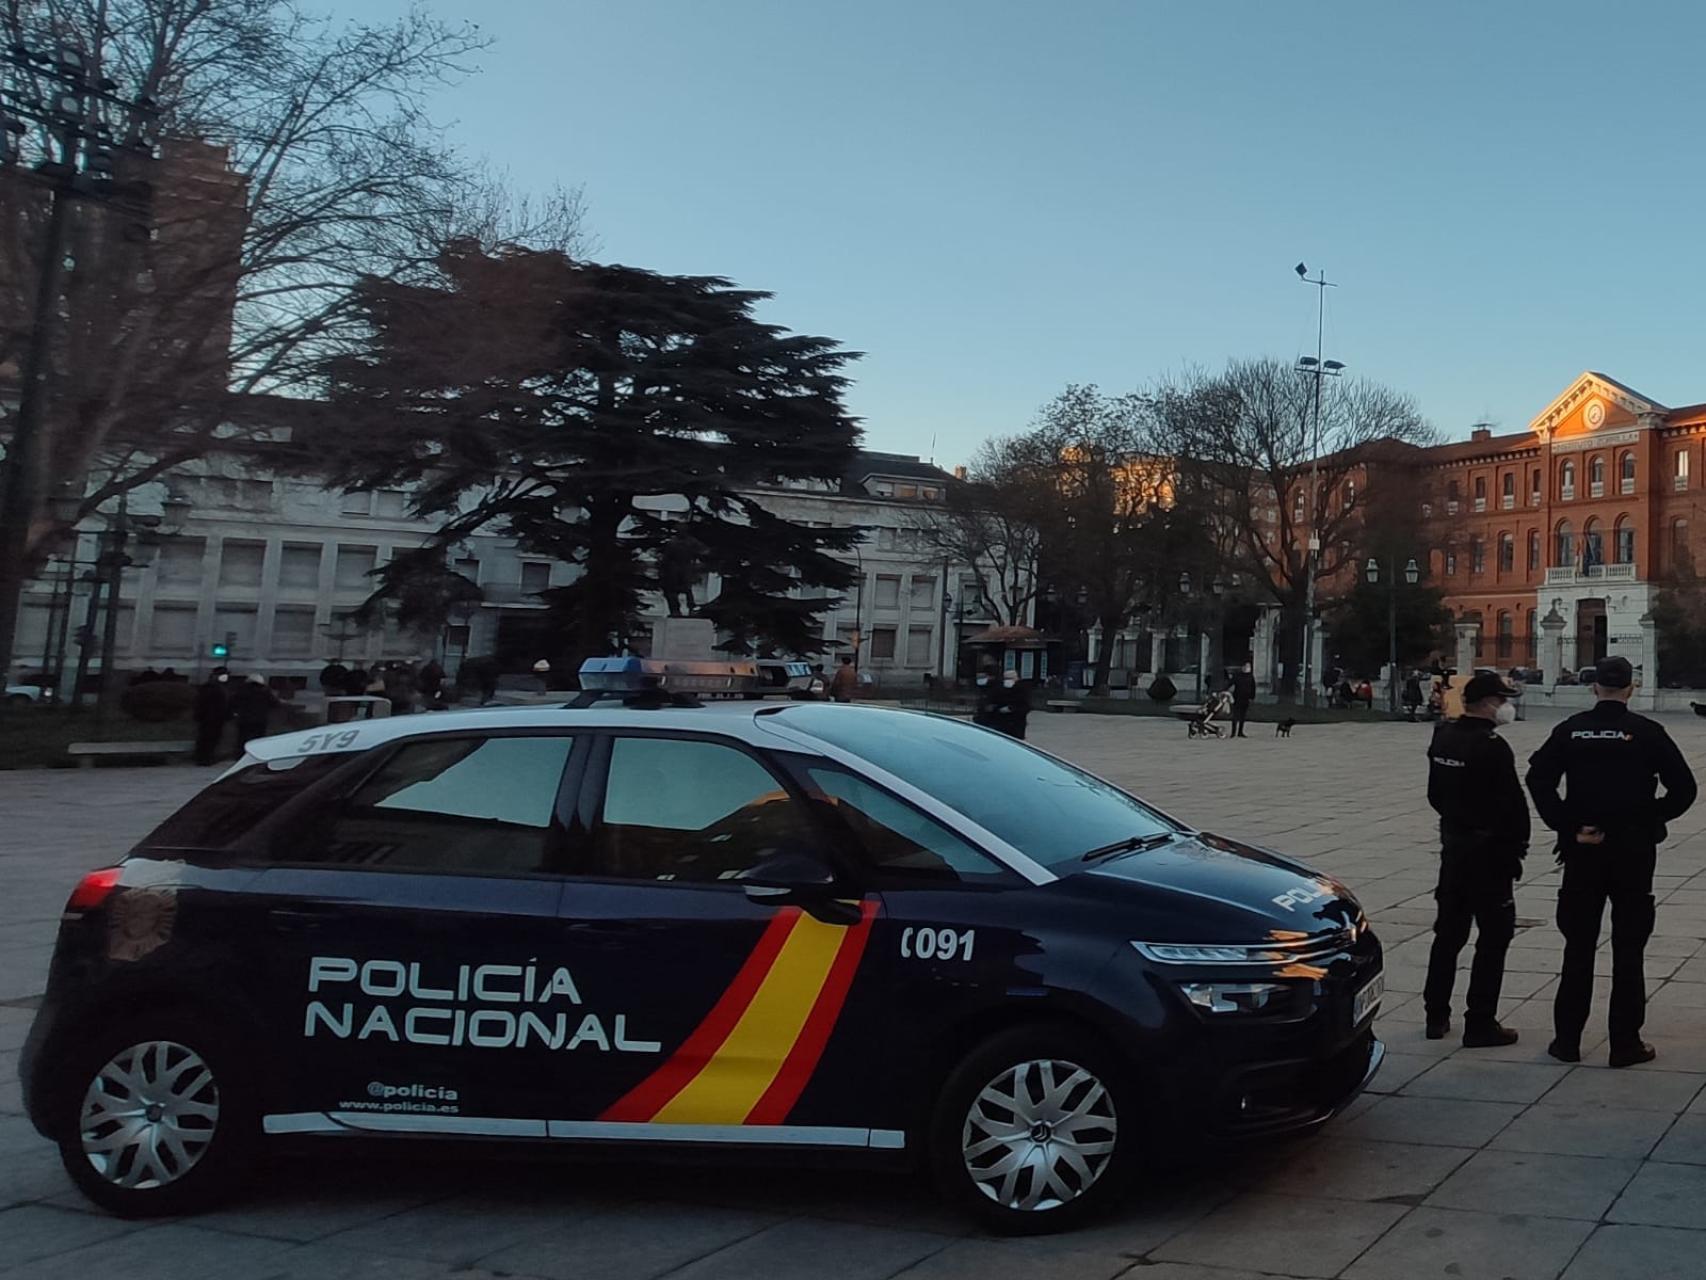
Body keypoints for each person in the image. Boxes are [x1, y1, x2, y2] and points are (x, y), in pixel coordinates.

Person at [1525, 655, 1698, 1067]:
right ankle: (1625, 1044)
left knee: (1578, 947)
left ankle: (1566, 1041)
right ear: (1631, 688)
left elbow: (1538, 778)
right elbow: (1684, 790)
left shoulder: (1571, 730)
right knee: (1629, 949)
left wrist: (1566, 824)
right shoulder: (1647, 733)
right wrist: (1648, 817)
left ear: (1594, 687)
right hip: (1633, 854)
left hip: (1584, 849)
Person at [1422, 672, 1527, 1047]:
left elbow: (1435, 795)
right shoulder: (1492, 746)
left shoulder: (1443, 736)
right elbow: (1512, 805)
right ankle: (1480, 1021)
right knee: (1494, 938)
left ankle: (1436, 1014)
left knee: (1447, 935)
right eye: (1501, 701)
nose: (1505, 707)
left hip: (1454, 849)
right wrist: (1516, 849)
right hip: (1489, 855)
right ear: (1486, 703)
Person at [231, 674, 279, 754]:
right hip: (260, 720)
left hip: (244, 719)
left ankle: (240, 755)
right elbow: (275, 704)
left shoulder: (241, 691)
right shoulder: (265, 692)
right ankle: (257, 754)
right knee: (258, 739)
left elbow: (233, 703)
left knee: (242, 738)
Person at [192, 668, 230, 766]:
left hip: (213, 717)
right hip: (211, 717)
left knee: (209, 738)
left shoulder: (215, 687)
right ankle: (204, 758)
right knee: (208, 739)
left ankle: (205, 757)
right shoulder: (213, 688)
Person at [1229, 663, 1256, 738]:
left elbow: (1253, 687)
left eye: (1248, 666)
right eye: (1245, 666)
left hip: (1246, 698)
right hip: (1237, 698)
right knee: (1235, 715)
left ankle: (1240, 732)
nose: (1246, 668)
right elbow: (1230, 683)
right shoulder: (1237, 676)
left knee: (1243, 716)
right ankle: (1233, 732)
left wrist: (1252, 697)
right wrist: (1223, 690)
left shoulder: (1250, 677)